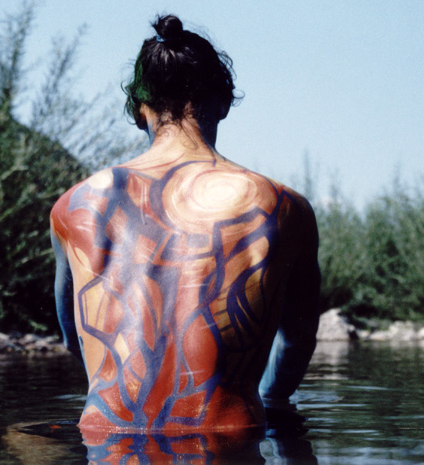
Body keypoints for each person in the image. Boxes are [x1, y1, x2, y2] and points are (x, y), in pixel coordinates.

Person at [50, 14, 320, 434]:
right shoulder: (283, 206)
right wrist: (274, 406)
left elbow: (74, 338)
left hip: (107, 440)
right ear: (224, 103)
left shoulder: (75, 205)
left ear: (140, 112)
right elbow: (296, 342)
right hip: (226, 441)